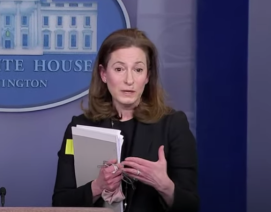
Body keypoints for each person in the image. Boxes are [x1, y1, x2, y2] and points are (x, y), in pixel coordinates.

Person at [51, 28, 199, 212]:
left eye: (138, 69)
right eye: (119, 69)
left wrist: (164, 186)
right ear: (104, 74)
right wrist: (97, 186)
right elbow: (60, 204)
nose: (129, 80)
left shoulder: (173, 125)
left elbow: (191, 206)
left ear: (147, 76)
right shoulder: (80, 127)